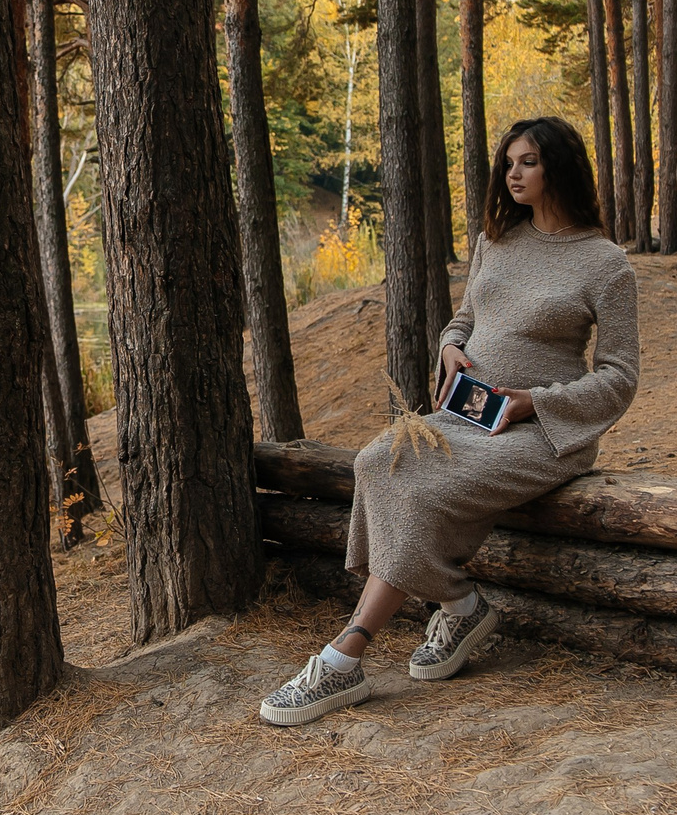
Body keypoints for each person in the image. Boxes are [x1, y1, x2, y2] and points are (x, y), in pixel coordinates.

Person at [258, 116, 639, 726]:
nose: (513, 174)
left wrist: (534, 401)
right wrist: (449, 347)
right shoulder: (498, 240)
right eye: (509, 162)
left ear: (559, 168)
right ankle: (461, 604)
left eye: (528, 162)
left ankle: (345, 656)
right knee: (374, 461)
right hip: (466, 413)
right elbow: (465, 317)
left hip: (541, 432)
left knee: (421, 494)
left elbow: (620, 376)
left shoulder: (604, 263)